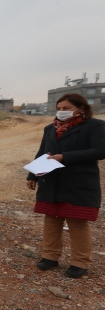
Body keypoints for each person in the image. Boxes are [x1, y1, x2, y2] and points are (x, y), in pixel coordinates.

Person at [27, 93, 105, 278]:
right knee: (52, 219)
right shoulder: (50, 129)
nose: (61, 112)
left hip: (78, 182)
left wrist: (65, 157)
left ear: (81, 109)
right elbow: (42, 152)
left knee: (77, 222)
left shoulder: (94, 126)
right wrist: (33, 175)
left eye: (66, 108)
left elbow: (100, 151)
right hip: (52, 180)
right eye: (59, 109)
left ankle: (80, 262)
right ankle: (50, 256)